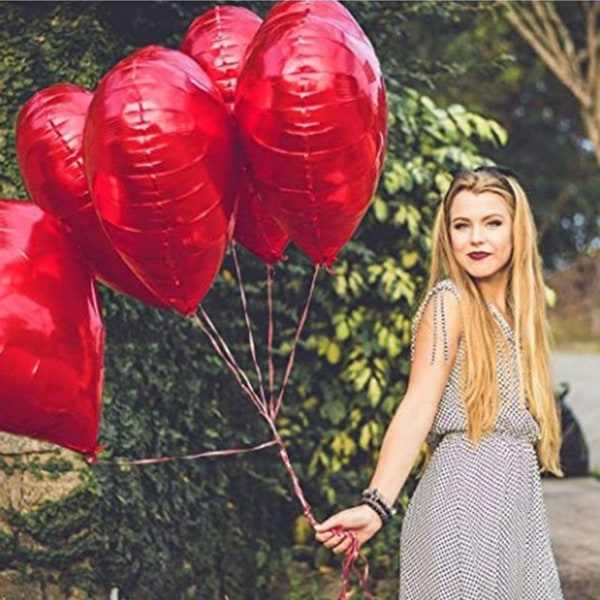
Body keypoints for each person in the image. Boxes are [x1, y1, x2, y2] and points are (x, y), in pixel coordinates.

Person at [315, 167, 564, 599]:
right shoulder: (449, 303)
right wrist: (376, 503)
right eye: (461, 225)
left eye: (492, 222)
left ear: (517, 230)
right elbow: (417, 405)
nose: (476, 238)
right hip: (463, 501)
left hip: (516, 508)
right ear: (446, 235)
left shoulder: (518, 314)